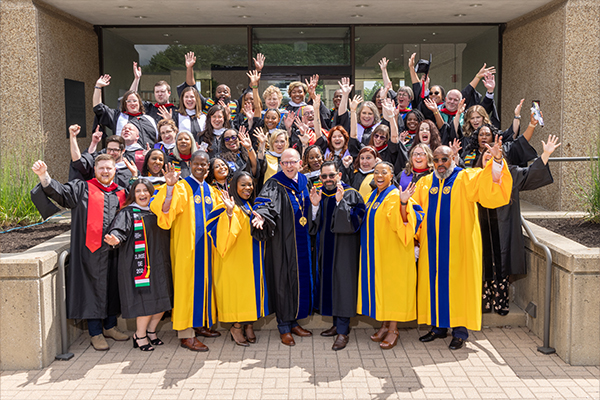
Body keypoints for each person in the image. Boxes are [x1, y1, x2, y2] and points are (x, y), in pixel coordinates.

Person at [413, 143, 513, 350]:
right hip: (431, 248)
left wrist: (496, 161)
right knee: (434, 286)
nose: (440, 164)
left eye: (445, 159)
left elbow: (491, 185)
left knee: (458, 288)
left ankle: (459, 332)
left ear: (453, 159)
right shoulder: (425, 183)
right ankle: (438, 328)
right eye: (437, 160)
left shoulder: (466, 177)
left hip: (459, 248)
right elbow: (415, 209)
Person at [31, 155, 129, 351]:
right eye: (101, 168)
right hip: (89, 253)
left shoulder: (121, 192)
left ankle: (110, 326)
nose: (105, 171)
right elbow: (60, 193)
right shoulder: (82, 188)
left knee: (112, 288)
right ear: (95, 170)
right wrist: (44, 176)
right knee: (91, 290)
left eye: (109, 168)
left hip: (114, 251)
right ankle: (95, 333)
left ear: (115, 170)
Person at [150, 151, 224, 352]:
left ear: (208, 167)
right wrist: (171, 187)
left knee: (205, 285)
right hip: (186, 250)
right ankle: (185, 334)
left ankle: (199, 324)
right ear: (190, 164)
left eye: (204, 165)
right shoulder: (181, 187)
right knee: (186, 289)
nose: (201, 167)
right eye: (197, 164)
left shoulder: (210, 190)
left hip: (207, 251)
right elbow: (164, 210)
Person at [478, 131, 558, 315]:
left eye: (493, 157)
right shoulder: (474, 177)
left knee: (502, 263)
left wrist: (545, 154)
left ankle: (500, 303)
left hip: (503, 228)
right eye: (486, 157)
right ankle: (483, 303)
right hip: (482, 229)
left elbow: (530, 175)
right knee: (482, 264)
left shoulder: (510, 175)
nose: (488, 160)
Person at [357, 162, 424, 350]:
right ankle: (385, 325)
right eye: (376, 172)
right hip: (379, 252)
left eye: (383, 172)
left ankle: (393, 330)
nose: (379, 175)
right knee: (384, 289)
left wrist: (403, 203)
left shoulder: (394, 195)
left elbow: (403, 220)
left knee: (393, 290)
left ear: (391, 175)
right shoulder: (373, 195)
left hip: (394, 253)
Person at [251, 148, 314, 346]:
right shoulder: (274, 183)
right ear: (280, 164)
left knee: (298, 280)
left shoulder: (305, 182)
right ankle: (284, 327)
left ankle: (294, 321)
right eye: (285, 162)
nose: (288, 166)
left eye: (292, 162)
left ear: (299, 163)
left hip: (302, 239)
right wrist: (260, 215)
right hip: (282, 242)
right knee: (283, 281)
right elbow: (265, 203)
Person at [104, 179, 174, 351]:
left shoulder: (157, 211)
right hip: (139, 266)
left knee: (162, 301)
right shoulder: (128, 213)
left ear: (151, 193)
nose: (142, 194)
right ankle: (139, 335)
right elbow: (119, 230)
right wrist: (115, 238)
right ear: (133, 194)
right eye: (138, 191)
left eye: (145, 190)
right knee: (146, 303)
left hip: (160, 262)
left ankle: (151, 332)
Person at [309, 161, 366, 350]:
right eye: (323, 176)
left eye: (331, 175)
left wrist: (341, 203)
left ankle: (343, 332)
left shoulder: (350, 193)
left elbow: (355, 223)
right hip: (326, 249)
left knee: (343, 286)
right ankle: (336, 325)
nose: (327, 180)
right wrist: (315, 206)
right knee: (331, 286)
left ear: (339, 175)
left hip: (344, 249)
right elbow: (314, 226)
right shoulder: (322, 195)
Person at [210, 171, 270, 346]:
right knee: (239, 295)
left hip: (250, 259)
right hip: (234, 260)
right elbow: (218, 233)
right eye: (243, 184)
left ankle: (248, 325)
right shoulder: (226, 205)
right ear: (234, 185)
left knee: (249, 293)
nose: (248, 188)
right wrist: (228, 213)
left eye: (250, 184)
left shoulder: (248, 205)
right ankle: (236, 327)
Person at [93, 74, 158, 146]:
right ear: (124, 104)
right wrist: (98, 87)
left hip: (147, 155)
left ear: (139, 103)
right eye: (129, 101)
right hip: (124, 155)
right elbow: (98, 108)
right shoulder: (117, 117)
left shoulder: (149, 119)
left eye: (135, 101)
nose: (132, 103)